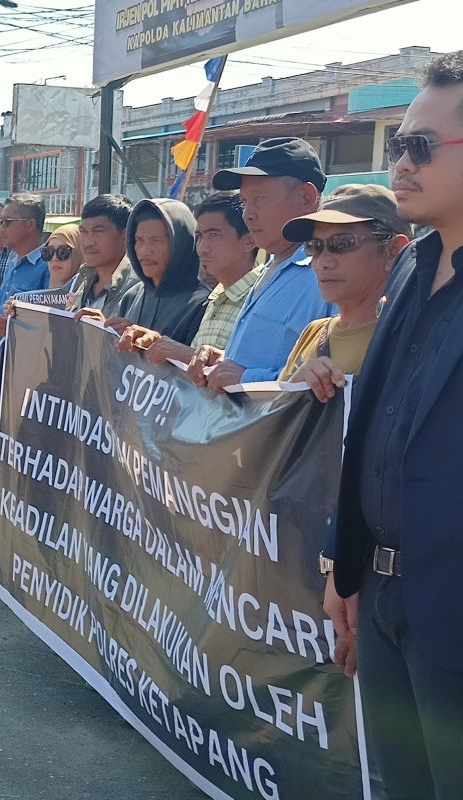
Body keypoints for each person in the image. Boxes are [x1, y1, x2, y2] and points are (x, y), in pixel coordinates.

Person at [327, 53, 463, 800]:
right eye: (396, 146)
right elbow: (376, 425)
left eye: (420, 147)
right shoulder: (411, 266)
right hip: (379, 603)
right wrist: (342, 564)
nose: (399, 165)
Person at [188, 137, 333, 392]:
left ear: (307, 196)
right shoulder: (272, 266)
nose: (247, 214)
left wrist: (246, 379)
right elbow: (273, 363)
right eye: (245, 202)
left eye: (260, 199)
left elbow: (332, 382)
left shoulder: (326, 275)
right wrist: (224, 362)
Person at [278, 185, 409, 388]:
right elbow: (275, 417)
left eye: (342, 244)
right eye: (314, 246)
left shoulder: (411, 339)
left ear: (393, 251)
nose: (323, 262)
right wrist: (292, 395)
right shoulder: (313, 332)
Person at [116, 191, 261, 364]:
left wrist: (182, 354)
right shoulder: (217, 298)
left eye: (214, 235)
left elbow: (255, 377)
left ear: (249, 241)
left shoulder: (262, 299)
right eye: (199, 237)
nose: (202, 248)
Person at [106, 199, 210, 344]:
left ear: (180, 244)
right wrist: (102, 330)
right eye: (139, 240)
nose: (145, 251)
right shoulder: (132, 296)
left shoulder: (202, 304)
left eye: (156, 240)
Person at [67, 194, 138, 312]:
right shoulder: (82, 280)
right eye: (83, 232)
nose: (88, 242)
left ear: (125, 235)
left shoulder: (136, 288)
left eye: (98, 231)